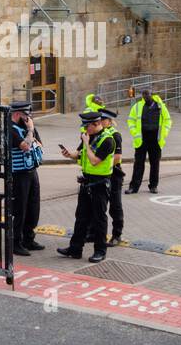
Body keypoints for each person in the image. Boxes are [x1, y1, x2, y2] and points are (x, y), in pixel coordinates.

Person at [56, 110, 115, 262]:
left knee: (99, 219)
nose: (84, 129)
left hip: (100, 184)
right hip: (86, 182)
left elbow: (95, 160)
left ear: (97, 124)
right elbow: (79, 152)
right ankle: (75, 249)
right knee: (81, 217)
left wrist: (87, 143)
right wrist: (69, 154)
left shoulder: (108, 140)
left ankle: (100, 251)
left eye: (87, 126)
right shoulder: (88, 136)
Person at [8, 100, 44, 257]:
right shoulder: (10, 129)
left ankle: (29, 238)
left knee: (33, 207)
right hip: (19, 174)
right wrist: (30, 131)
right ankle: (16, 242)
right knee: (20, 209)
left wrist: (31, 132)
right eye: (25, 115)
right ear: (17, 114)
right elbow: (26, 146)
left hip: (31, 171)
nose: (28, 118)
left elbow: (40, 144)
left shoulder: (26, 127)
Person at [126, 89, 171, 194]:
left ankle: (153, 186)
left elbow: (168, 119)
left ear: (152, 95)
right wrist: (134, 133)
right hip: (141, 139)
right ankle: (134, 187)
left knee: (155, 163)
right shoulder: (137, 106)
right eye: (143, 94)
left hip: (155, 139)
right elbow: (130, 120)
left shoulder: (160, 106)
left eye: (147, 94)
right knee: (138, 164)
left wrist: (164, 133)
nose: (145, 96)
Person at [97, 108, 126, 245]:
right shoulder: (99, 134)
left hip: (113, 174)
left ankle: (116, 235)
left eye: (103, 120)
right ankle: (93, 233)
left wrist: (102, 165)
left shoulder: (115, 135)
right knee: (98, 205)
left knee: (115, 206)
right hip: (102, 174)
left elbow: (117, 157)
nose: (101, 122)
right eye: (100, 120)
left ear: (109, 121)